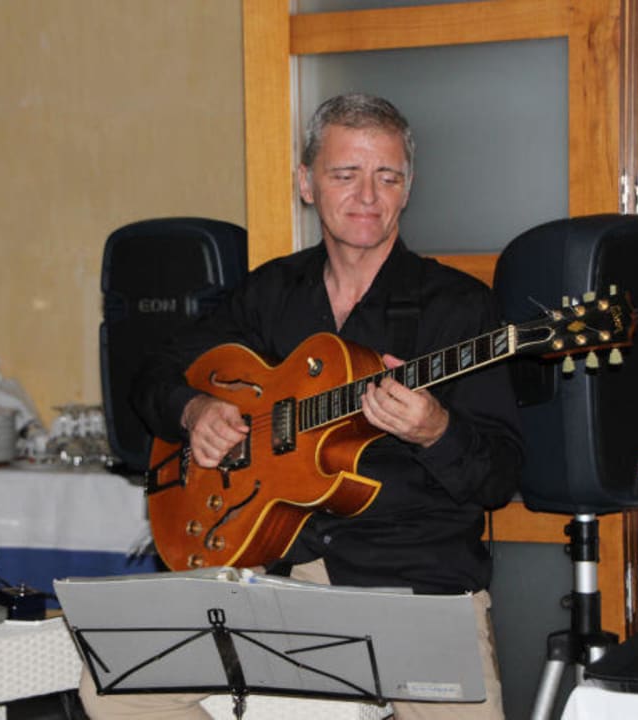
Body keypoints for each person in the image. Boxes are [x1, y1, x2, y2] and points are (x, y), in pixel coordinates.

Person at [79, 93, 524, 720]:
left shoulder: (460, 308)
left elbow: (500, 476)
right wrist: (194, 410)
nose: (367, 196)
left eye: (387, 176)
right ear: (306, 184)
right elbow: (155, 373)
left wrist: (435, 429)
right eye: (345, 174)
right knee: (111, 687)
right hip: (275, 574)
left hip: (414, 580)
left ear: (407, 189)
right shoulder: (270, 293)